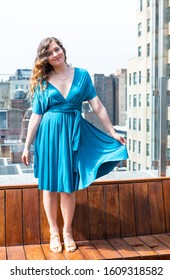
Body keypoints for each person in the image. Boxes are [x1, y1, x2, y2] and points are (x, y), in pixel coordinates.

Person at [22, 37, 128, 254]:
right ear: (46, 59)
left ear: (63, 49)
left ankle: (67, 232)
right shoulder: (43, 80)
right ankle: (54, 232)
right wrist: (26, 146)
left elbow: (97, 106)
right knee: (50, 186)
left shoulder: (81, 75)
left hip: (72, 134)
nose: (55, 54)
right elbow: (36, 116)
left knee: (68, 186)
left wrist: (112, 132)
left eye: (57, 49)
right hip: (49, 136)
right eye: (49, 53)